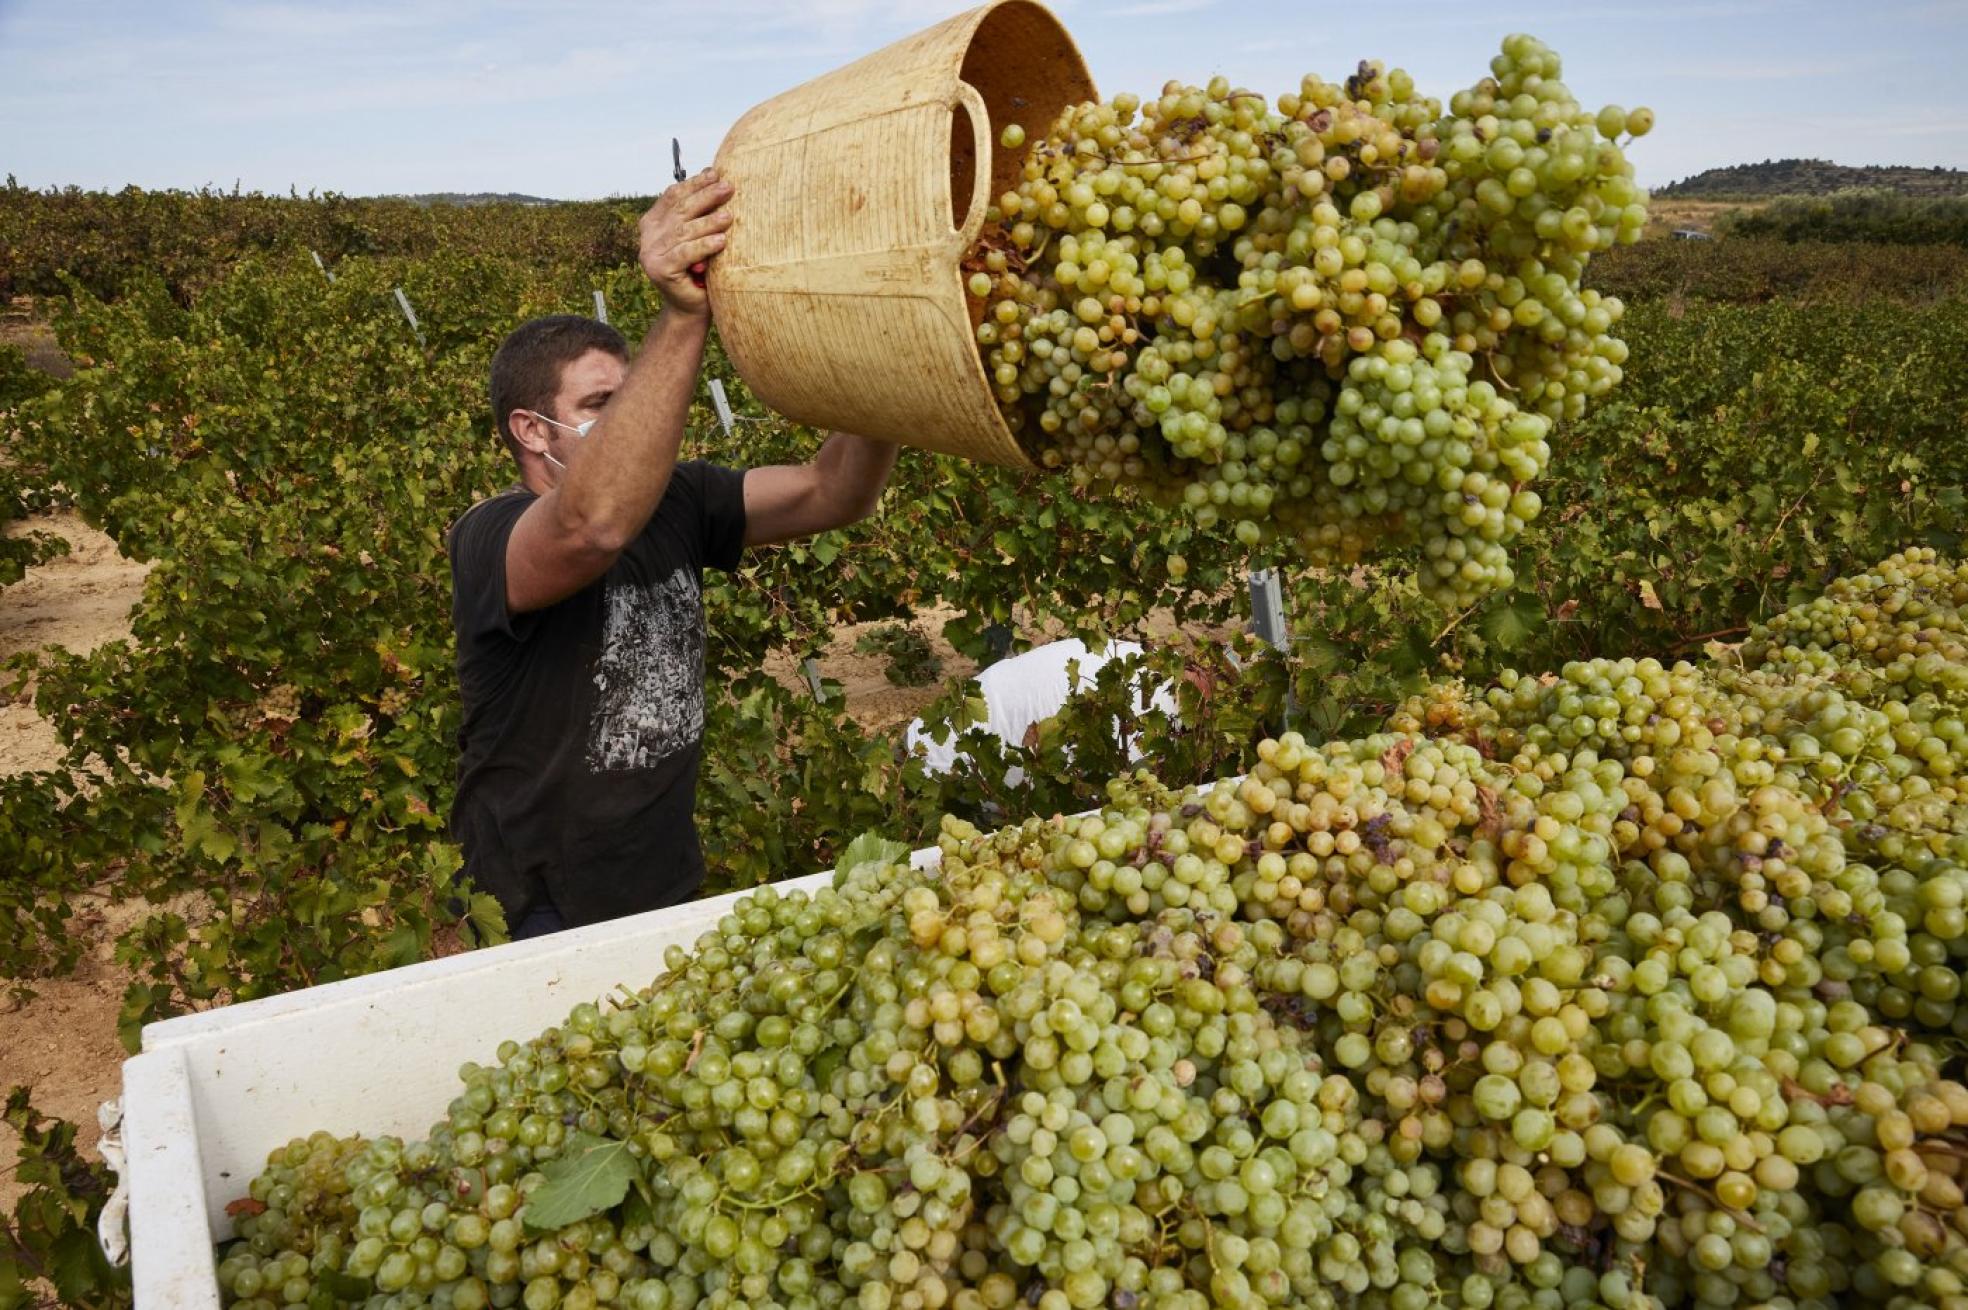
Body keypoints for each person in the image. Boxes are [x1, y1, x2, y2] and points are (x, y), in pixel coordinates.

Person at [448, 169, 899, 939]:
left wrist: (895, 362)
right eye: (600, 407)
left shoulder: (682, 500)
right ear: (531, 430)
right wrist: (684, 317)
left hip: (661, 875)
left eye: (633, 397)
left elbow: (834, 492)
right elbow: (592, 526)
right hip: (539, 901)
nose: (631, 420)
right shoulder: (490, 534)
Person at [903, 638, 1180, 787]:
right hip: (933, 773)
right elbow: (1113, 785)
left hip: (928, 736)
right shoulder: (1149, 715)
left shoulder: (1134, 656)